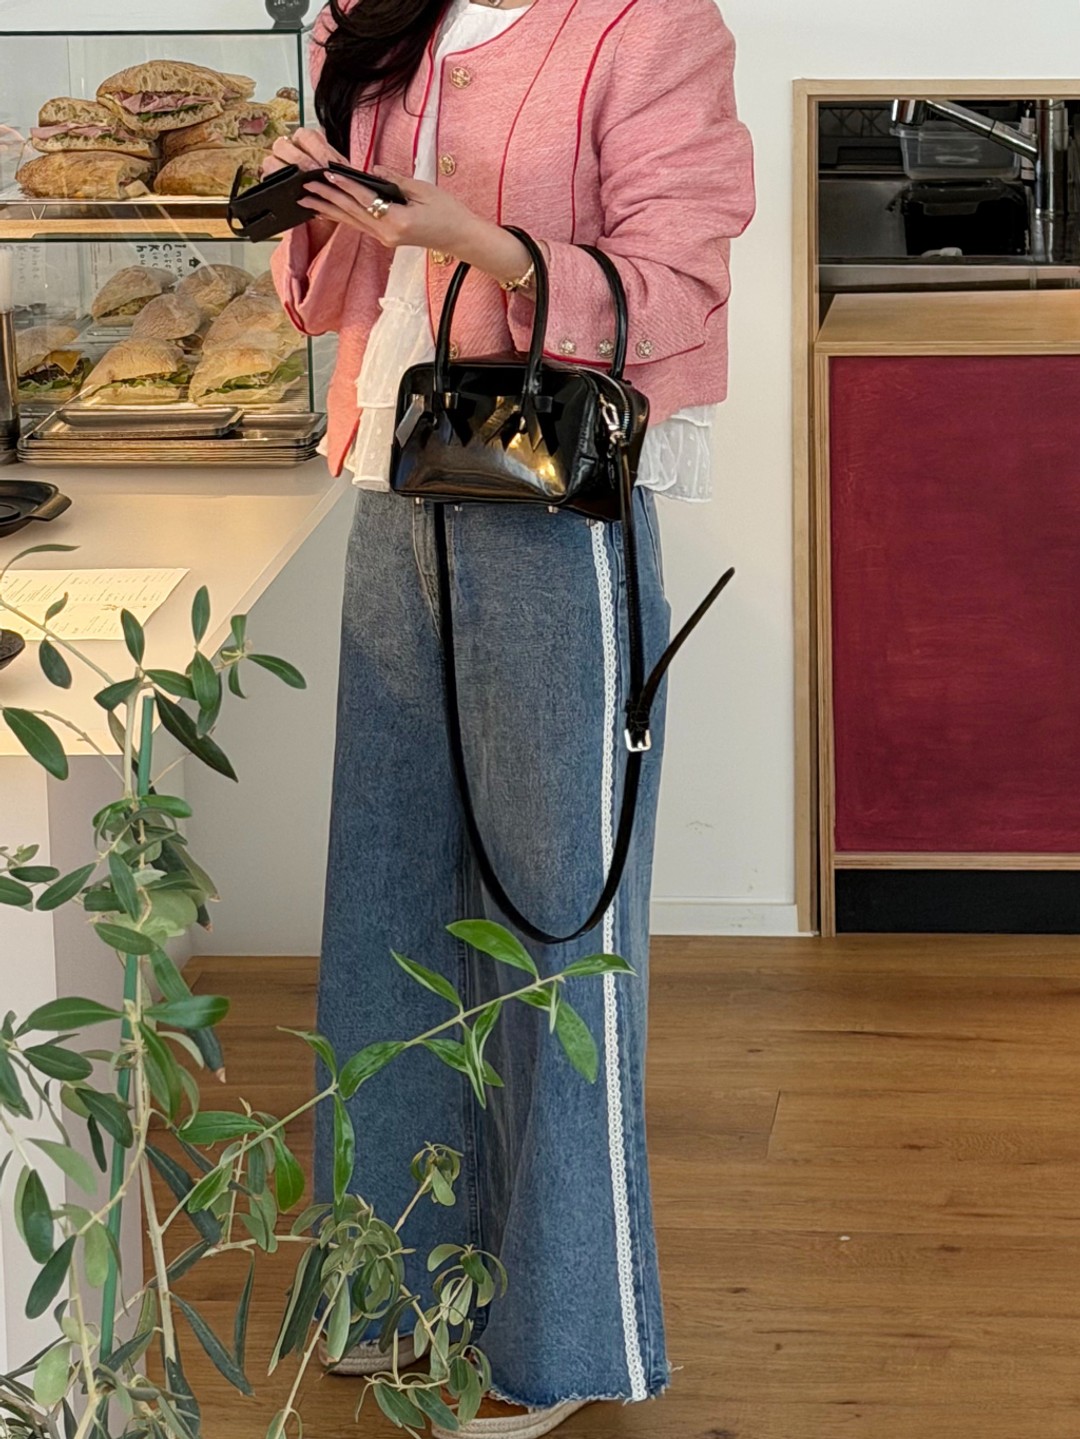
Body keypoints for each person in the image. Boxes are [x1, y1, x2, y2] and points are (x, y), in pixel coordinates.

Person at [267, 0, 755, 1432]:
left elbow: (679, 279)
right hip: (392, 483)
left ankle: (557, 1337)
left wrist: (484, 245)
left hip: (555, 501)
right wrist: (314, 200)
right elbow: (334, 299)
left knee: (555, 922)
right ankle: (393, 1285)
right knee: (390, 902)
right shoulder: (377, 20)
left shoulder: (650, 27)